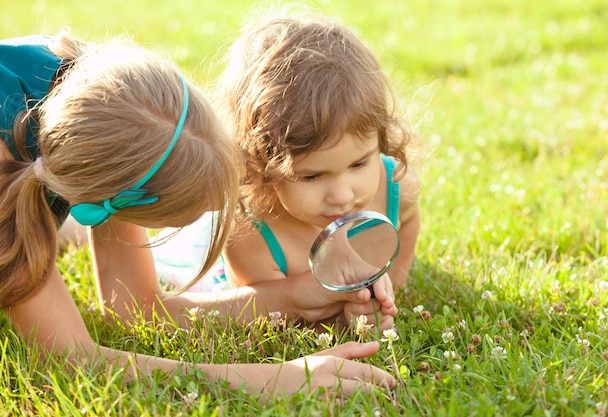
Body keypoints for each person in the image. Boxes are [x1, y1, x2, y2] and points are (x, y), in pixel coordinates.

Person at [0, 32, 396, 396]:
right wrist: (271, 378)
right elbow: (69, 358)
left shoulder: (106, 95)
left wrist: (295, 296)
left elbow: (133, 308)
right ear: (104, 205)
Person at [216, 10, 421, 330]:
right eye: (310, 176)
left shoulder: (396, 187)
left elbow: (407, 222)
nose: (342, 196)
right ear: (259, 167)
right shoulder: (249, 234)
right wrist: (339, 319)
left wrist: (392, 285)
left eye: (359, 163)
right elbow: (269, 312)